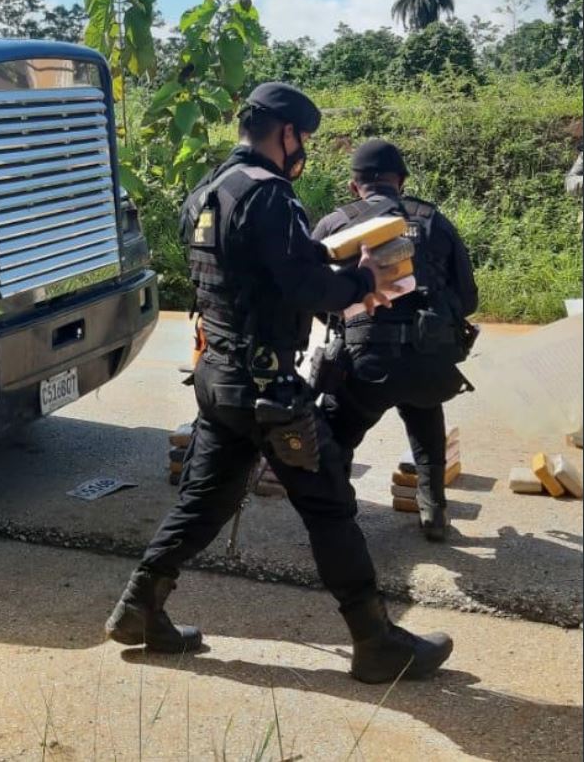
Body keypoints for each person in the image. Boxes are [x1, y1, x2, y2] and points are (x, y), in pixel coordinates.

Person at [104, 83, 454, 685]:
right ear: (285, 134)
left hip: (219, 378)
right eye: (304, 141)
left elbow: (258, 273)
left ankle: (139, 609)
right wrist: (359, 280)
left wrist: (324, 260)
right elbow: (300, 287)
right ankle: (376, 643)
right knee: (330, 505)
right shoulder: (270, 195)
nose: (303, 154)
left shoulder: (207, 193)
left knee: (204, 501)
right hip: (268, 388)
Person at [314, 139, 478, 541]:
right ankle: (433, 509)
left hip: (364, 364)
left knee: (336, 436)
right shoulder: (433, 220)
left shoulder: (335, 226)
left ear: (354, 186)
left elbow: (311, 293)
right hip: (427, 361)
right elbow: (469, 297)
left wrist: (348, 318)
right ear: (401, 182)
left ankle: (339, 514)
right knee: (426, 416)